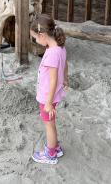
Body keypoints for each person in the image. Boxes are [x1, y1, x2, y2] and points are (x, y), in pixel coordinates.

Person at [30, 14, 68, 165]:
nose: (36, 41)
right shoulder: (59, 47)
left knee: (49, 125)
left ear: (43, 35)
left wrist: (48, 102)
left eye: (35, 38)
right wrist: (65, 78)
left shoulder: (52, 54)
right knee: (50, 123)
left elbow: (52, 81)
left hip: (48, 95)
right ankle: (56, 147)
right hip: (52, 94)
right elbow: (65, 65)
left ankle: (50, 154)